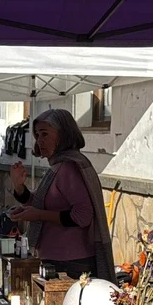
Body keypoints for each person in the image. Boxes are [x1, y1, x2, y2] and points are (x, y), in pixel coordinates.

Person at [8, 108, 115, 282]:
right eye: (37, 135)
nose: (39, 140)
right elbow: (41, 203)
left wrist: (38, 215)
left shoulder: (69, 168)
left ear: (63, 135)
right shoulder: (58, 166)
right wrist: (19, 187)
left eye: (45, 134)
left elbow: (82, 216)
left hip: (71, 263)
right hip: (60, 259)